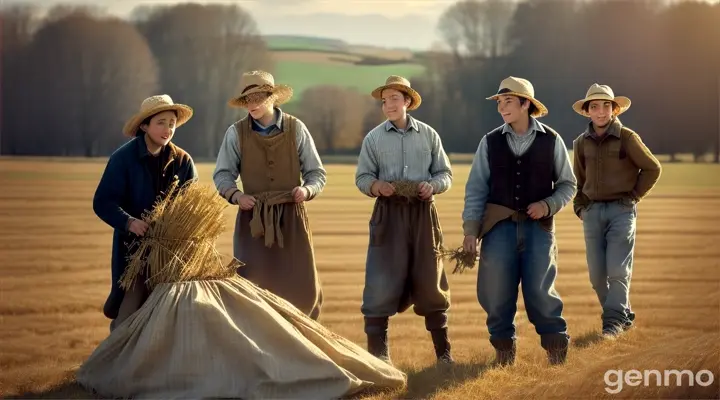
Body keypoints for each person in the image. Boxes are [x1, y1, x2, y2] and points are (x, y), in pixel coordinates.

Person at [462, 76, 576, 366]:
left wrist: (548, 204)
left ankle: (556, 353)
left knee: (541, 292)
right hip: (498, 230)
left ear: (526, 104)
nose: (502, 108)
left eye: (508, 102)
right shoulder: (489, 142)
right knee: (496, 293)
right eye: (500, 103)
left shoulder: (551, 140)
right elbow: (476, 189)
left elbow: (567, 185)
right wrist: (470, 231)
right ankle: (503, 353)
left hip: (539, 230)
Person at [355, 75, 454, 365]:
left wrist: (432, 186)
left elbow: (445, 174)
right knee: (380, 279)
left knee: (430, 279)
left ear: (408, 102)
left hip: (424, 214)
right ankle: (379, 359)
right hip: (388, 215)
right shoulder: (373, 138)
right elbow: (362, 177)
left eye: (394, 99)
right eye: (384, 101)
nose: (388, 105)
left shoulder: (429, 135)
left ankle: (444, 356)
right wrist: (377, 187)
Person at [213, 70, 327, 320]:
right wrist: (236, 196)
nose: (252, 104)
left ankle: (302, 347)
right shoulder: (235, 133)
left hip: (292, 219)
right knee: (251, 287)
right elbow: (222, 175)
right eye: (247, 100)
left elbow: (317, 173)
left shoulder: (297, 128)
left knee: (302, 287)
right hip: (252, 220)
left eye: (258, 98)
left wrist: (306, 190)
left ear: (272, 97)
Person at [93, 94, 198, 331]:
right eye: (161, 122)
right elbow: (103, 201)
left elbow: (190, 205)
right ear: (144, 125)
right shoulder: (123, 159)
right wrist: (130, 223)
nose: (168, 129)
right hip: (132, 251)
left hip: (172, 253)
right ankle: (116, 365)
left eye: (172, 123)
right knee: (128, 316)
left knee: (171, 316)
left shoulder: (183, 161)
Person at [571, 83, 661, 338]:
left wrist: (633, 197)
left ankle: (611, 324)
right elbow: (578, 180)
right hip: (592, 213)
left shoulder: (628, 138)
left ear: (615, 109)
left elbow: (653, 168)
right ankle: (622, 314)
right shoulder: (580, 143)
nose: (601, 112)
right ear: (588, 111)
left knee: (618, 270)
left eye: (606, 106)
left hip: (622, 211)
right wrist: (580, 207)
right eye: (595, 107)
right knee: (597, 276)